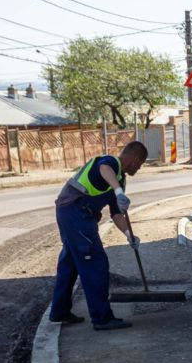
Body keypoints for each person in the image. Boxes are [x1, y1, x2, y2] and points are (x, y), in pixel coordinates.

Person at [50, 140, 149, 331]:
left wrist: (129, 235)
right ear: (135, 160)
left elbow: (116, 214)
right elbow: (104, 169)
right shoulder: (110, 162)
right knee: (95, 263)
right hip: (76, 213)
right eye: (141, 164)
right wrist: (118, 191)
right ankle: (102, 318)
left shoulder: (120, 179)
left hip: (71, 212)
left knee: (71, 262)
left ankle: (59, 311)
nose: (139, 168)